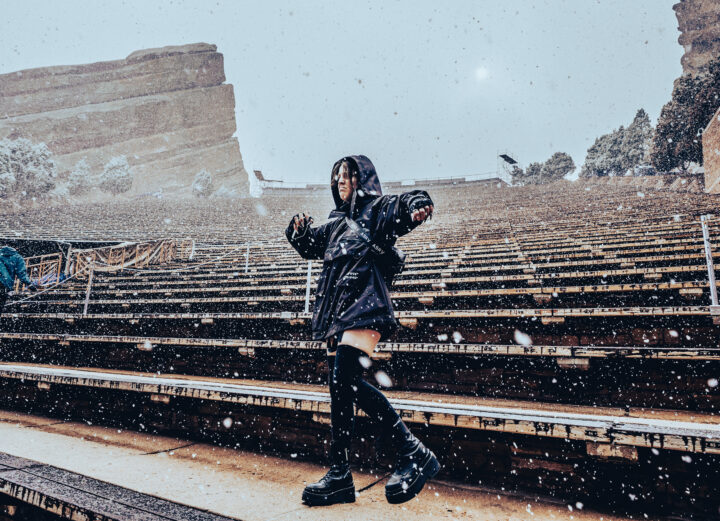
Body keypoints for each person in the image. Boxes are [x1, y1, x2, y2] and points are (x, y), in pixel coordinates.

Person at [285, 155, 438, 506]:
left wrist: (417, 204)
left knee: (346, 380)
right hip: (340, 312)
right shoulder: (336, 223)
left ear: (362, 179)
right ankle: (339, 474)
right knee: (341, 389)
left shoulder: (376, 209)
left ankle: (413, 451)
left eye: (348, 175)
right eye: (337, 175)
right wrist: (298, 232)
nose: (341, 181)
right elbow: (311, 246)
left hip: (366, 304)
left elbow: (401, 207)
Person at [0, 246, 37, 313]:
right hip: (5, 285)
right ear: (16, 248)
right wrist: (29, 284)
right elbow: (21, 274)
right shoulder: (18, 257)